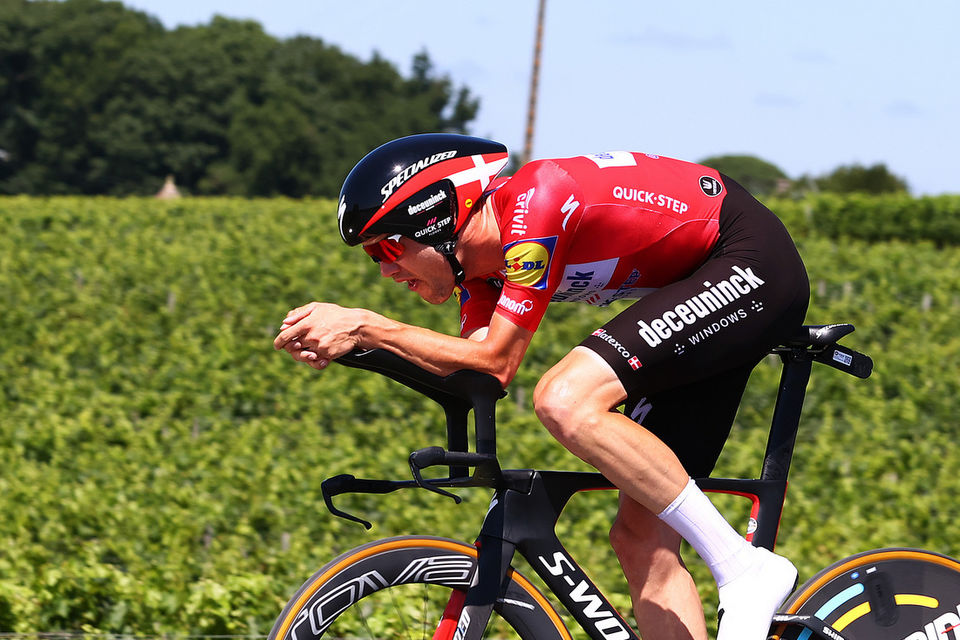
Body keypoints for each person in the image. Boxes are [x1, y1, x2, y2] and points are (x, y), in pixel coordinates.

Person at [274, 133, 808, 640]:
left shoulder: (537, 200)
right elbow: (474, 369)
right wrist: (356, 350)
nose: (384, 272)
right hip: (701, 292)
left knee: (565, 399)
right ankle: (740, 574)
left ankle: (745, 569)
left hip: (749, 258)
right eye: (372, 257)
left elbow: (498, 359)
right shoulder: (481, 276)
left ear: (437, 221)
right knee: (641, 540)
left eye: (387, 250)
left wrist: (366, 325)